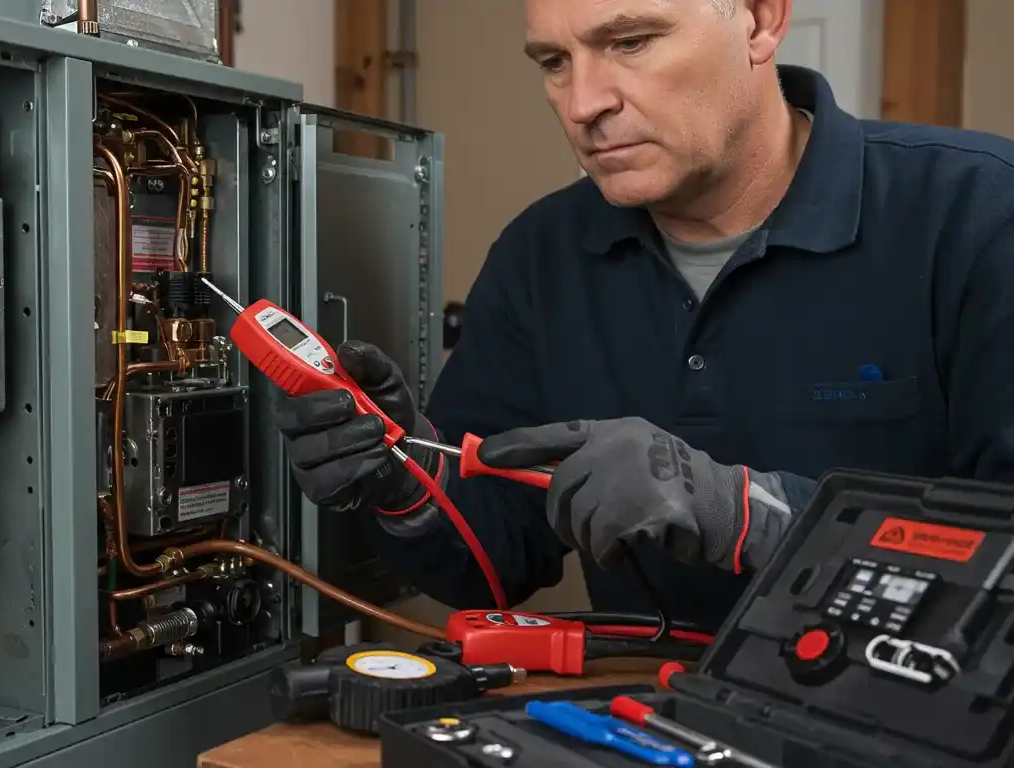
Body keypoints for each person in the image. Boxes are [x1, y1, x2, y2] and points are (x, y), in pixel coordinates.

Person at [274, 0, 1014, 630]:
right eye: (554, 62)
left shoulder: (979, 216)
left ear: (760, 19)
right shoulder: (543, 255)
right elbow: (494, 566)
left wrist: (750, 515)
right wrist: (405, 477)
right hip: (647, 720)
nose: (583, 102)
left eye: (629, 42)